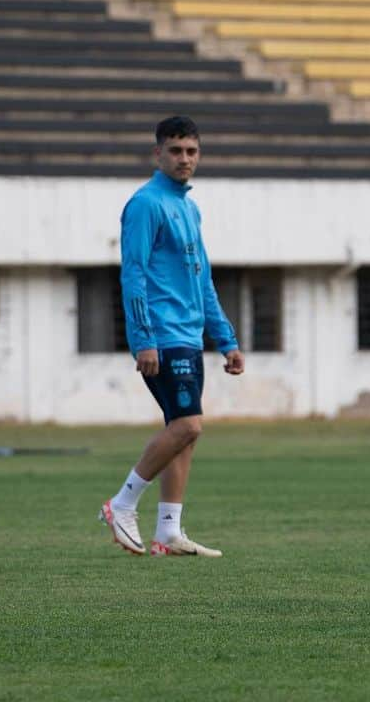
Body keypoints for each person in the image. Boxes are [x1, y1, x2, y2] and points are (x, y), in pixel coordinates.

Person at [98, 116, 244, 557]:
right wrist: (142, 338)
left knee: (185, 432)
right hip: (162, 336)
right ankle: (121, 504)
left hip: (190, 336)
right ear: (157, 154)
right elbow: (133, 274)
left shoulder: (189, 207)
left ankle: (168, 531)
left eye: (192, 151)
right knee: (187, 424)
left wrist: (225, 337)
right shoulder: (145, 204)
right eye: (176, 150)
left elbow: (201, 280)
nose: (185, 159)